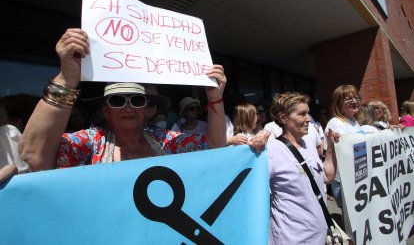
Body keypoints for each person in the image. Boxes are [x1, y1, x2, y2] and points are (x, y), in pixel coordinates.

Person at [19, 28, 267, 171]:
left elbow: (213, 148)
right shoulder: (89, 142)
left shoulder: (164, 140)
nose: (128, 106)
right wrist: (66, 78)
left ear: (148, 110)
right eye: (117, 100)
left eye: (137, 100)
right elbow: (33, 155)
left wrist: (215, 100)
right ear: (106, 111)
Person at [267, 92, 337, 244]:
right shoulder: (272, 150)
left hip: (318, 236)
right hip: (292, 238)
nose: (308, 119)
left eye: (308, 113)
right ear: (283, 118)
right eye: (302, 114)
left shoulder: (307, 144)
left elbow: (326, 177)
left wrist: (330, 146)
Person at [324, 84, 364, 209]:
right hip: (344, 180)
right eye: (348, 99)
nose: (354, 102)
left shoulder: (353, 122)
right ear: (338, 103)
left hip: (357, 177)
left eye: (357, 98)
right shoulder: (335, 123)